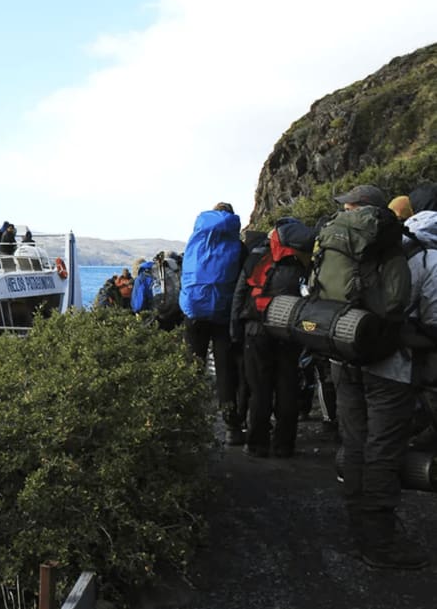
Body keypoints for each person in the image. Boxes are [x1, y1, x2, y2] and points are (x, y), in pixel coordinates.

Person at [330, 184, 429, 569]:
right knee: (383, 450)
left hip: (342, 356)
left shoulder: (334, 244)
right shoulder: (417, 254)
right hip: (390, 367)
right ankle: (380, 545)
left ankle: (359, 532)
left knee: (355, 444)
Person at [230, 218, 314, 458]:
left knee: (259, 389)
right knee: (287, 387)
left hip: (256, 329)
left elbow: (240, 293)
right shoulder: (303, 261)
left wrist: (235, 330)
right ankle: (284, 445)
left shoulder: (258, 256)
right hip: (289, 331)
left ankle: (257, 444)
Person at [181, 202, 246, 444]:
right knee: (225, 369)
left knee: (193, 365)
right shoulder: (238, 246)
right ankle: (232, 426)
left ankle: (187, 420)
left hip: (194, 311)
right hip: (222, 313)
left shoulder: (195, 241)